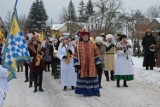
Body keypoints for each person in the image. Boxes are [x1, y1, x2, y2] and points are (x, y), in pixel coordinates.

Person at [73, 31, 102, 97]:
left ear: (88, 37)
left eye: (87, 36)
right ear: (82, 37)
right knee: (85, 79)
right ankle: (85, 92)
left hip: (92, 65)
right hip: (83, 65)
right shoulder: (78, 45)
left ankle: (96, 92)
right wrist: (76, 64)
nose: (86, 37)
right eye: (84, 36)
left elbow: (96, 54)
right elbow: (75, 55)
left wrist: (98, 63)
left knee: (94, 79)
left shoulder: (93, 44)